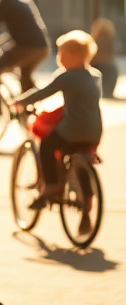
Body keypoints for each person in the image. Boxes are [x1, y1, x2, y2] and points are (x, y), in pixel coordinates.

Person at [13, 30, 104, 208]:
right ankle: (86, 200)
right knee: (81, 156)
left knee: (47, 145)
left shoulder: (67, 76)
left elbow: (43, 92)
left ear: (72, 55)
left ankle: (51, 187)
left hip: (72, 129)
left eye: (60, 53)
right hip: (95, 131)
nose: (58, 57)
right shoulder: (95, 75)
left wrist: (20, 101)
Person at [90, 18, 118, 99]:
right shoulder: (110, 42)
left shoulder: (97, 41)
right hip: (107, 69)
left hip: (102, 69)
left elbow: (95, 58)